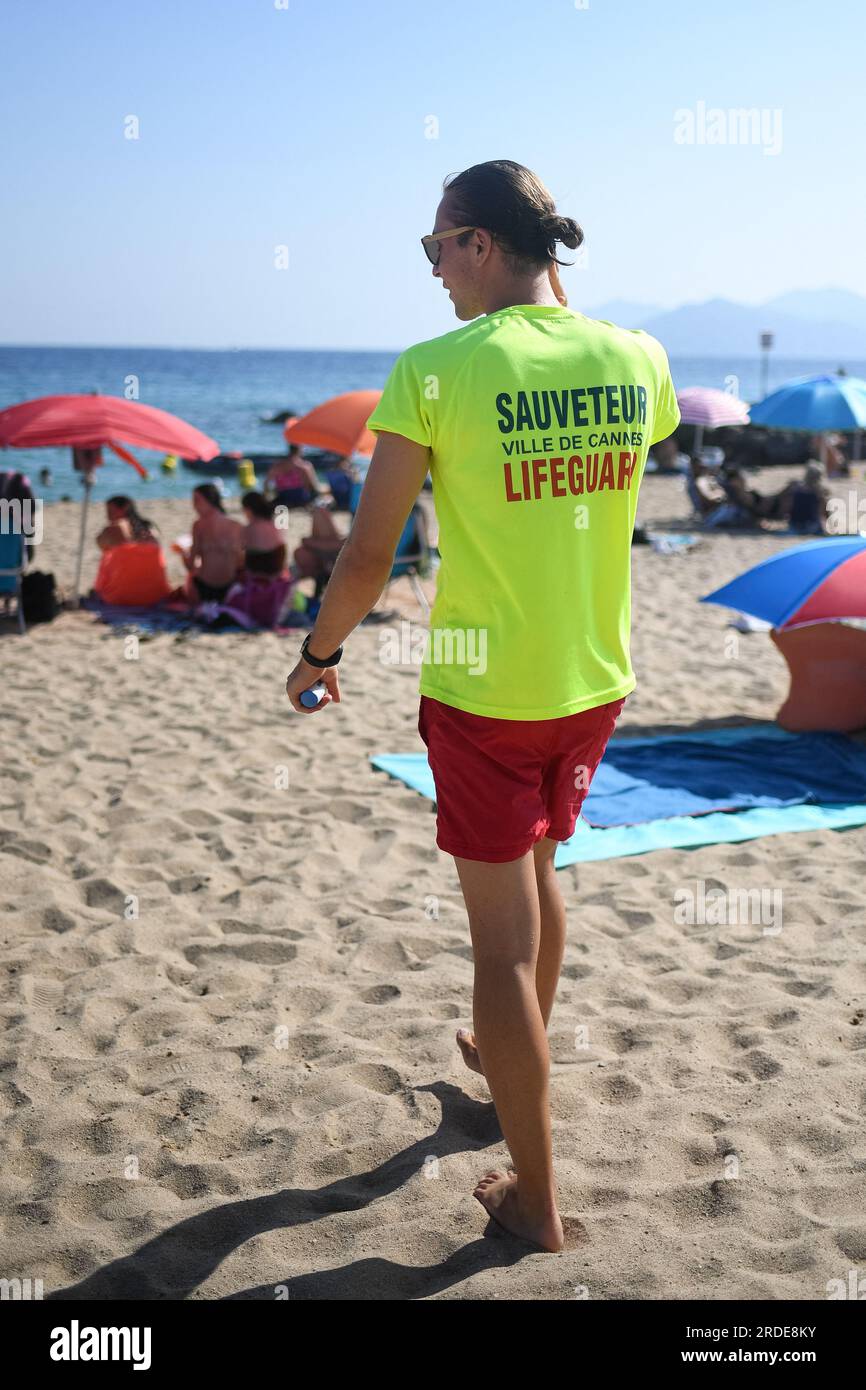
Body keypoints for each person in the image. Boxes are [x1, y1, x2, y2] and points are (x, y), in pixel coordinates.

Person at [283, 159, 681, 1253]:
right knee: (542, 875)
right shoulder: (637, 356)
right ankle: (508, 1057)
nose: (430, 273)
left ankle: (535, 1204)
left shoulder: (435, 368)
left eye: (433, 248)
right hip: (592, 681)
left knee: (498, 941)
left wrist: (319, 653)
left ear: (480, 244)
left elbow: (368, 552)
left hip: (484, 690)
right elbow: (613, 471)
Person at [180, 483, 245, 604]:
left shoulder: (198, 526)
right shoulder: (236, 525)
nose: (194, 505)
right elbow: (242, 561)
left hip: (204, 588)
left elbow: (190, 565)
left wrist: (183, 554)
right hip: (230, 586)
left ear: (209, 500)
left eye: (196, 500)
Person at [265, 445, 330, 510]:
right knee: (326, 498)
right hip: (301, 499)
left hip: (283, 498)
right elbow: (313, 485)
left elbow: (267, 484)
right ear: (300, 450)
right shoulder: (304, 466)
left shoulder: (277, 466)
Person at [240, 491, 287, 576]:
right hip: (277, 572)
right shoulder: (276, 526)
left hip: (257, 575)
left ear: (248, 510)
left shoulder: (248, 529)